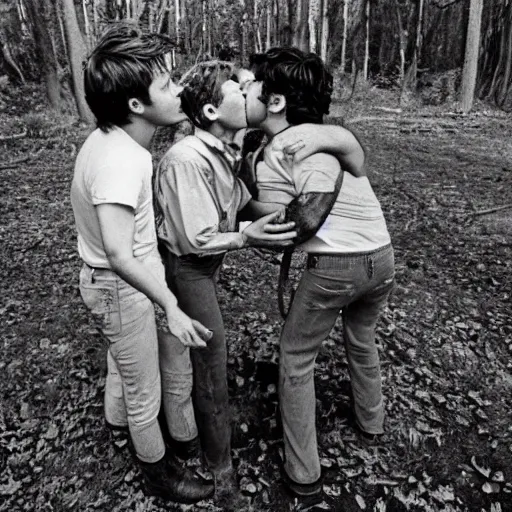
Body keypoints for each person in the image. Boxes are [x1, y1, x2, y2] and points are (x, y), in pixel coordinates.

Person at [70, 24, 215, 504]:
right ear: (136, 105)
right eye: (168, 84)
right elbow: (117, 252)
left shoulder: (112, 140)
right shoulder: (122, 161)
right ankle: (158, 473)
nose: (179, 89)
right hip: (117, 286)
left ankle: (115, 426)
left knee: (122, 361)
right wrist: (170, 304)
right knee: (143, 389)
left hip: (111, 283)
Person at [244, 47, 395, 497]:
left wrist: (236, 204)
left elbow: (290, 220)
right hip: (382, 258)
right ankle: (372, 422)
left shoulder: (287, 147)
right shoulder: (321, 137)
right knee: (361, 338)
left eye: (250, 85)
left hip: (337, 268)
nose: (244, 90)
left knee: (295, 357)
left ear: (275, 102)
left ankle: (304, 474)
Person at [153, 60, 297, 495]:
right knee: (211, 361)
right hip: (186, 268)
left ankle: (194, 437)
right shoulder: (186, 160)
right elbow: (196, 240)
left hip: (202, 264)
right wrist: (247, 236)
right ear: (213, 112)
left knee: (203, 355)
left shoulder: (225, 152)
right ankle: (220, 468)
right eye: (238, 87)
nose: (248, 91)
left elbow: (246, 204)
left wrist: (296, 218)